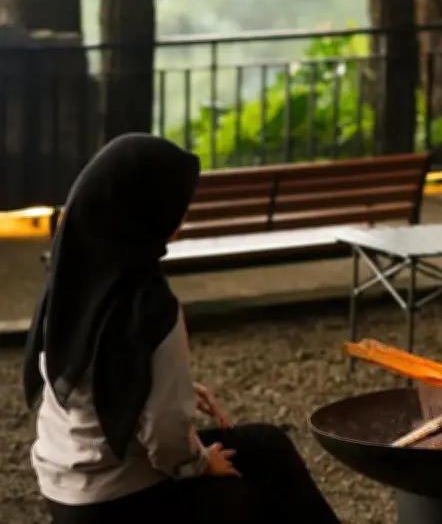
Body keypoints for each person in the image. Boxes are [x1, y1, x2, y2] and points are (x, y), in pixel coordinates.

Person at [23, 133, 341, 524]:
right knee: (253, 497)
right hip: (115, 500)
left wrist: (174, 389)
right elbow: (166, 437)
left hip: (64, 486)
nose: (181, 218)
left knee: (267, 444)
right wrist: (201, 462)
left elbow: (96, 374)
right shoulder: (150, 306)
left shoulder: (73, 282)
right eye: (177, 206)